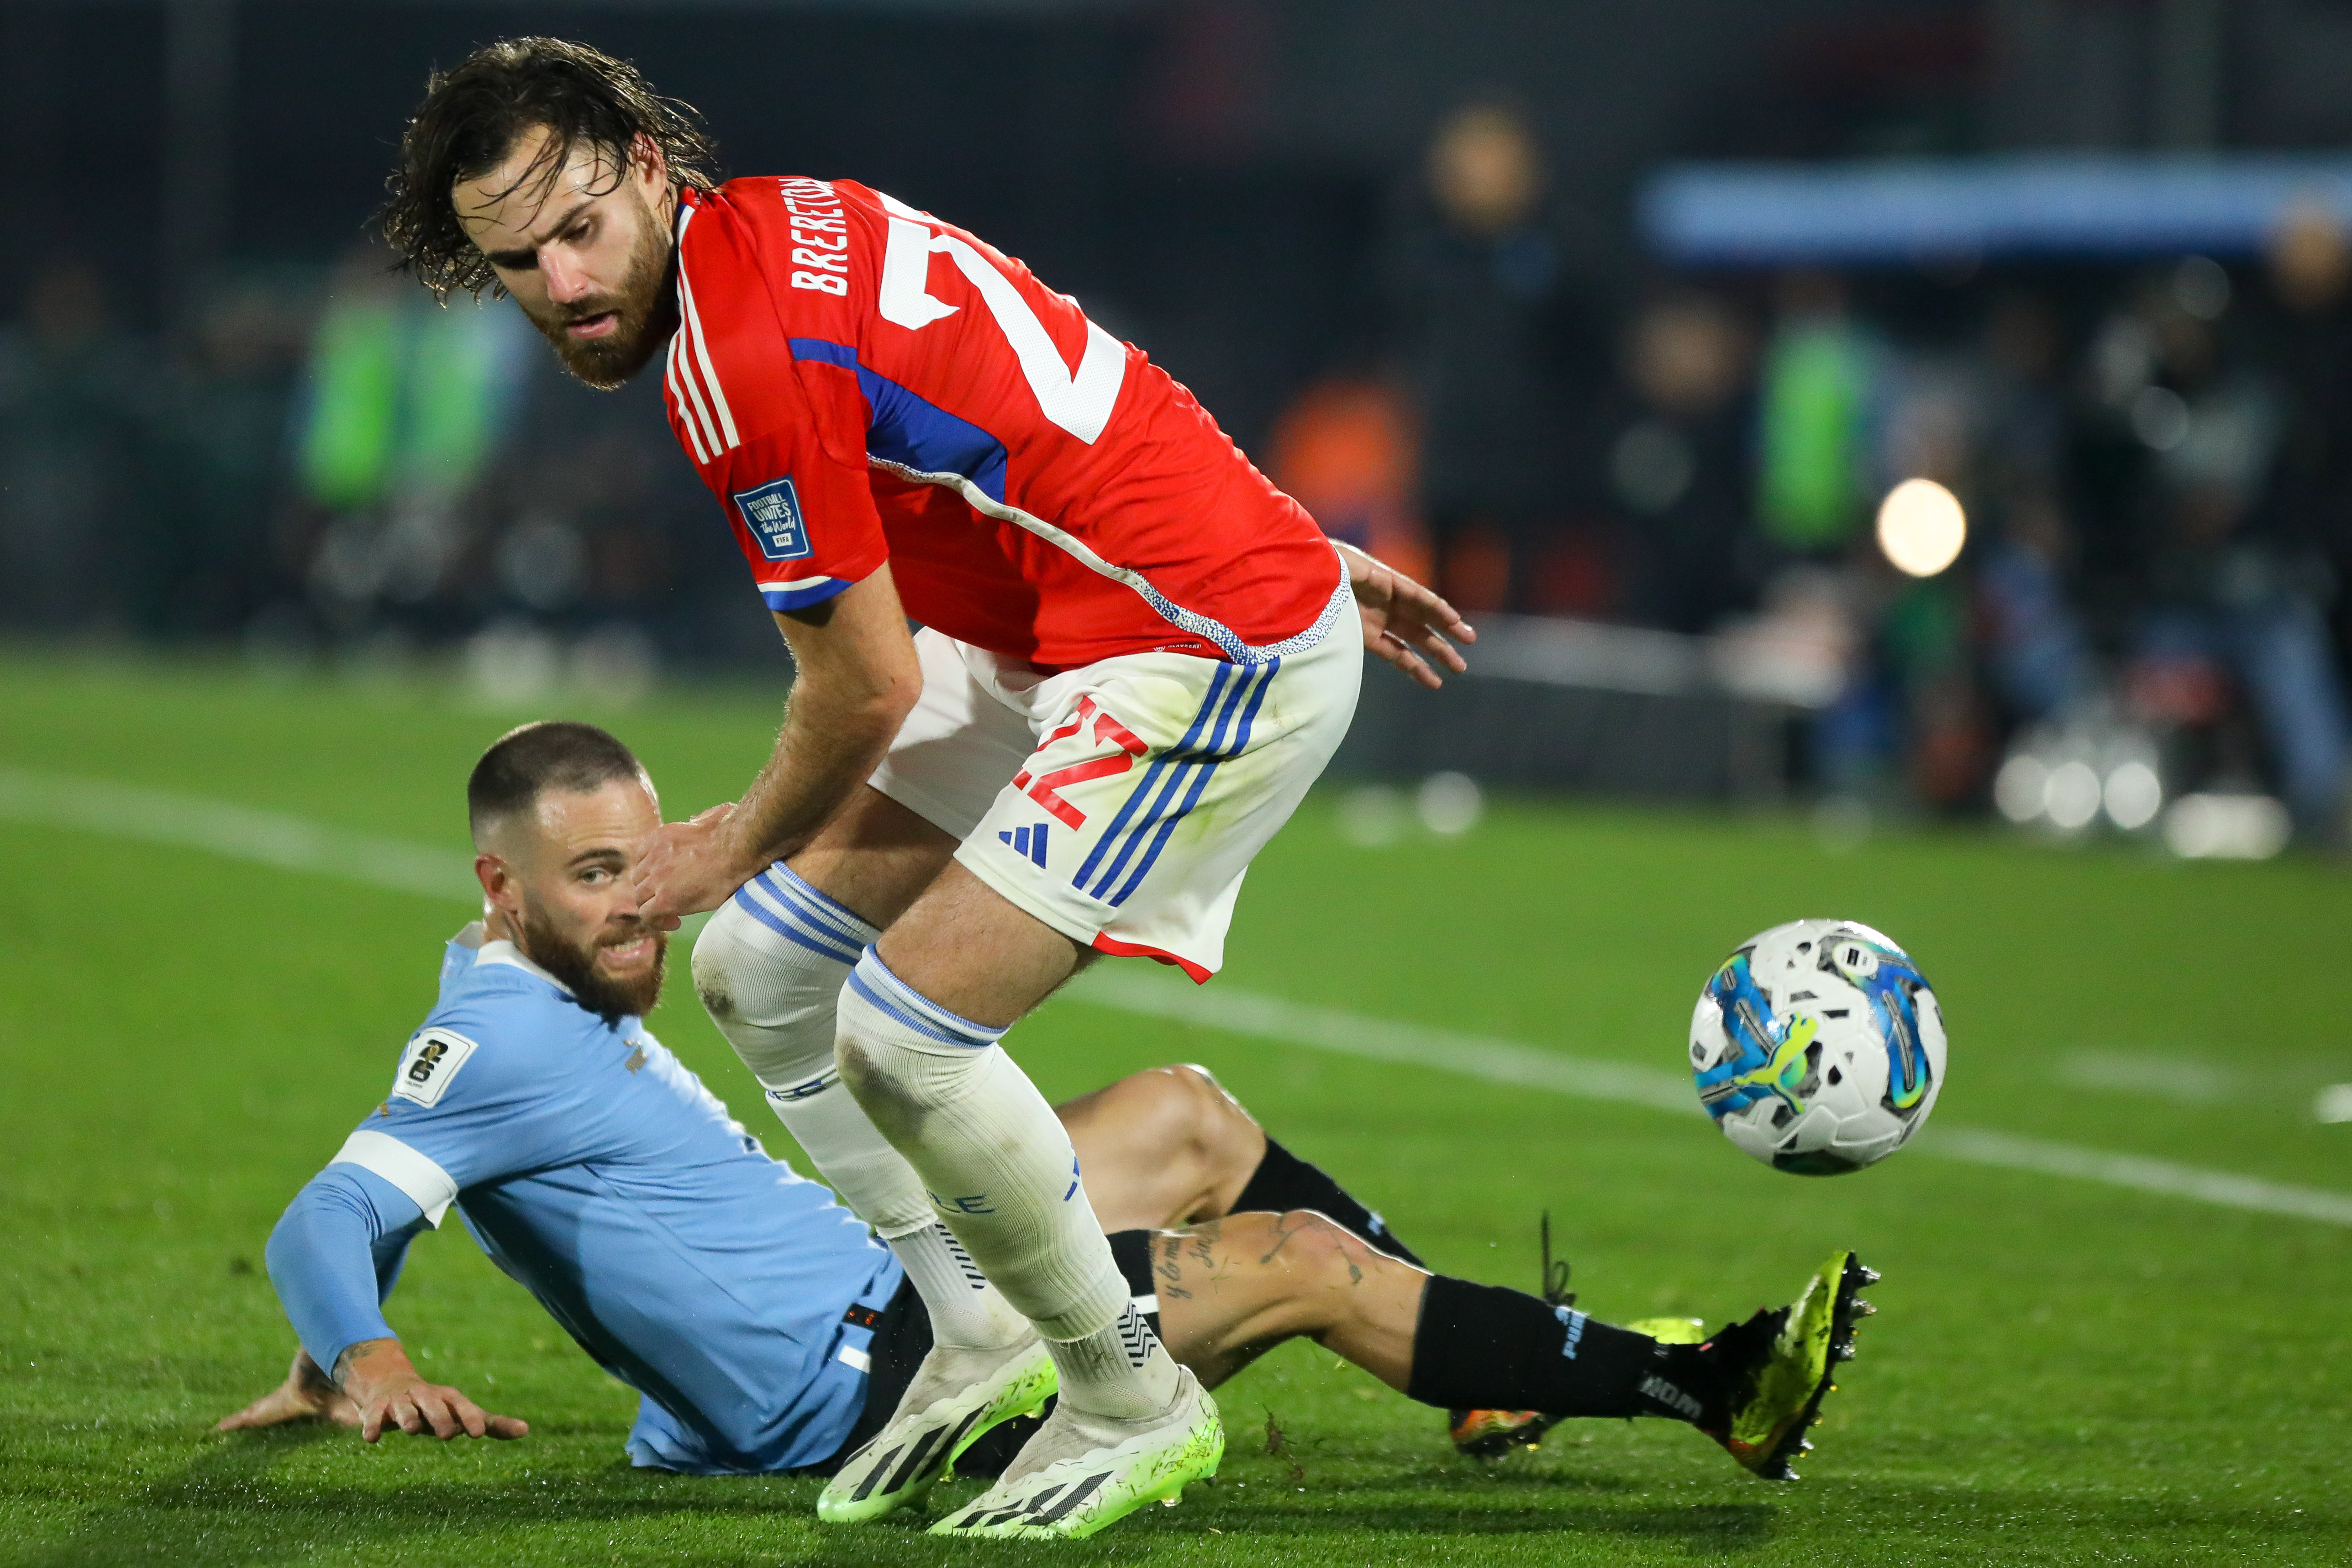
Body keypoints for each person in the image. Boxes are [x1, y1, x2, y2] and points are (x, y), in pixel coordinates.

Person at [376, 38, 1478, 1538]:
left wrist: (722, 843)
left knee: (903, 1033)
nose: (565, 282)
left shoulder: (733, 359)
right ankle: (978, 1327)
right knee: (764, 972)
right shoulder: (771, 223)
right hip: (1091, 614)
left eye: (580, 228)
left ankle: (1129, 1393)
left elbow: (866, 684)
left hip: (1192, 649)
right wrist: (1267, 534)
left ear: (648, 162)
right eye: (520, 260)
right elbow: (1047, 381)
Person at [222, 722, 1874, 1533]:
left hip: (879, 1272)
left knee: (1184, 1111)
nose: (646, 900)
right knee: (1296, 1257)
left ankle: (1495, 1367)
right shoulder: (497, 1027)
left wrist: (329, 1347)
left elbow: (409, 1208)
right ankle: (1706, 1386)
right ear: (498, 889)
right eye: (599, 879)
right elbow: (331, 1214)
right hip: (874, 1377)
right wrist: (361, 1351)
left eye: (648, 858)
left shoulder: (539, 991)